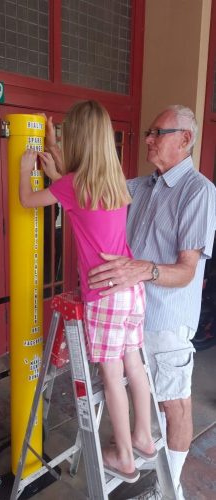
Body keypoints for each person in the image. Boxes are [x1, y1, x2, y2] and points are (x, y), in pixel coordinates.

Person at [19, 100, 157, 483]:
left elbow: (28, 201)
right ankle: (144, 438)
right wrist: (54, 155)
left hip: (105, 295)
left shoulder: (70, 185)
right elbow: (75, 187)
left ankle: (125, 457)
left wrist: (24, 171)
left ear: (77, 139)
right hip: (131, 290)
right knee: (134, 366)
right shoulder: (113, 180)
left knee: (111, 376)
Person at [86, 105, 216, 499]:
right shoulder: (139, 186)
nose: (148, 140)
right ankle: (138, 450)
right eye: (149, 132)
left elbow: (187, 271)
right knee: (133, 393)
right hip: (128, 315)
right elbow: (93, 192)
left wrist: (141, 270)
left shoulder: (199, 192)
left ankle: (168, 484)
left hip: (165, 320)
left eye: (158, 133)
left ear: (185, 139)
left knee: (174, 404)